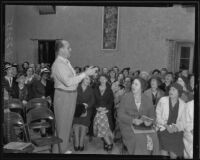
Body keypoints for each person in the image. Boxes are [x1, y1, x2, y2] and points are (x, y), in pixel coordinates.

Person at [51, 40, 97, 154]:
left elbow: (73, 80)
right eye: (68, 47)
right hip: (64, 97)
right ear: (61, 49)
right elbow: (68, 82)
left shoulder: (65, 62)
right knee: (62, 127)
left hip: (69, 96)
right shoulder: (58, 64)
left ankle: (60, 149)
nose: (70, 49)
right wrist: (85, 74)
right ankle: (60, 151)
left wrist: (83, 75)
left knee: (65, 127)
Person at [118, 77, 159, 155]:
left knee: (154, 138)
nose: (133, 86)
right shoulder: (126, 97)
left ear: (142, 87)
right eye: (133, 83)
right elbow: (120, 114)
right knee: (138, 139)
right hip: (128, 125)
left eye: (136, 84)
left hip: (144, 126)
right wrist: (132, 120)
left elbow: (153, 116)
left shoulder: (147, 99)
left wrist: (150, 122)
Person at [156, 83, 186, 158]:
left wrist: (176, 128)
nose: (170, 91)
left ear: (179, 92)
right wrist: (166, 126)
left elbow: (183, 121)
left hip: (176, 131)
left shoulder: (183, 104)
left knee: (174, 155)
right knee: (164, 153)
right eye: (170, 89)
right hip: (163, 128)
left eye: (173, 90)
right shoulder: (162, 100)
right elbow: (158, 116)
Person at [72, 76, 95, 152]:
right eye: (87, 79)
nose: (88, 81)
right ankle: (76, 142)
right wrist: (80, 105)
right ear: (82, 79)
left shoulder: (91, 89)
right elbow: (72, 98)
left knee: (83, 126)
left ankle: (81, 143)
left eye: (90, 79)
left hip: (87, 110)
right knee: (76, 125)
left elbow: (92, 100)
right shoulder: (76, 87)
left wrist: (87, 105)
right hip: (77, 109)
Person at [93, 74, 114, 152]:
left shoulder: (109, 90)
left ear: (106, 80)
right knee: (101, 128)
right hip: (97, 110)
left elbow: (111, 101)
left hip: (106, 111)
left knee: (106, 128)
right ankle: (108, 143)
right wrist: (97, 107)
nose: (102, 80)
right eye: (101, 78)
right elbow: (93, 100)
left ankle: (107, 142)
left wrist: (105, 108)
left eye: (104, 78)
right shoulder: (95, 89)